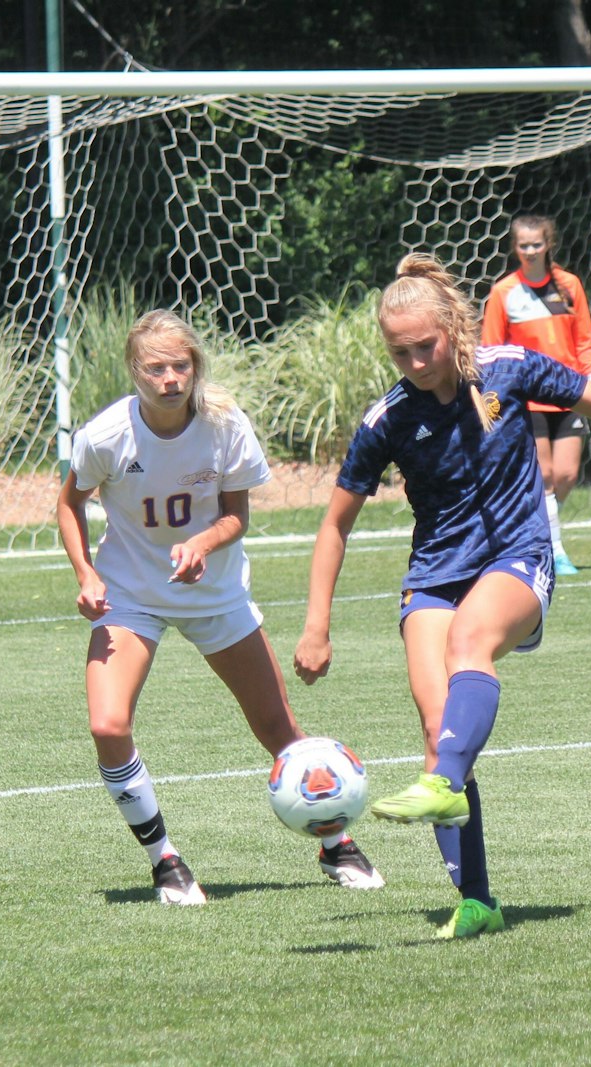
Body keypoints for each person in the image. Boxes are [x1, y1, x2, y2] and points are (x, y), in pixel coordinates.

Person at [294, 253, 591, 938]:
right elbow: (335, 524)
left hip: (519, 555)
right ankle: (478, 899)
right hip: (435, 573)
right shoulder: (388, 420)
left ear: (452, 326)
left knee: (468, 643)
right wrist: (317, 625)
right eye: (400, 352)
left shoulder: (510, 369)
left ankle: (442, 786)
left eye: (425, 345)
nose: (416, 361)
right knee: (439, 734)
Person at [55, 309, 383, 905]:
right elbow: (68, 505)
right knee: (108, 725)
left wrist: (202, 543)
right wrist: (85, 574)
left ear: (195, 367)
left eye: (181, 365)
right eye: (156, 368)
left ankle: (335, 841)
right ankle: (165, 862)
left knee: (278, 728)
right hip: (131, 594)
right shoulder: (105, 436)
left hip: (215, 592)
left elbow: (237, 515)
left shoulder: (225, 424)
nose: (170, 378)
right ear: (135, 371)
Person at [481, 213, 591, 576]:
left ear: (549, 244)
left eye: (536, 244)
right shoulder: (504, 292)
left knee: (565, 475)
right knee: (544, 474)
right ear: (514, 248)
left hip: (569, 392)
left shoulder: (569, 286)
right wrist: (490, 398)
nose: (530, 251)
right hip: (525, 397)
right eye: (523, 246)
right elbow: (490, 348)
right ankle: (555, 550)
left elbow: (583, 339)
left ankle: (538, 527)